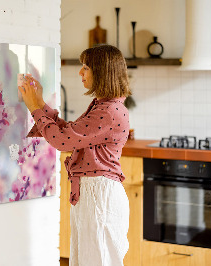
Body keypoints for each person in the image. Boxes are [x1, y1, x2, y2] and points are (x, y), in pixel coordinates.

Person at [18, 44, 131, 266]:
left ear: (102, 72)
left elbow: (62, 140)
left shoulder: (108, 111)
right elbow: (70, 133)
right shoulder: (104, 106)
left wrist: (34, 108)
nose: (80, 72)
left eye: (86, 67)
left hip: (99, 196)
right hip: (93, 194)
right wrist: (40, 103)